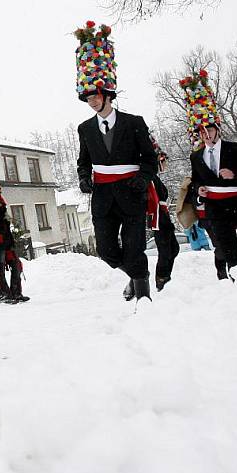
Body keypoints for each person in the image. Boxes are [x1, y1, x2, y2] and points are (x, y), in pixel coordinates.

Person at [75, 21, 157, 302]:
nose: (92, 102)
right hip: (103, 197)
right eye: (87, 98)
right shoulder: (85, 129)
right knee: (107, 251)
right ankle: (138, 276)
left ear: (107, 93)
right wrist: (84, 178)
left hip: (131, 191)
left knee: (135, 248)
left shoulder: (133, 123)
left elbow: (150, 158)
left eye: (95, 95)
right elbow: (83, 161)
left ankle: (143, 296)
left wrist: (143, 178)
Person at [181, 69, 237, 277]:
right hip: (216, 208)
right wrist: (199, 192)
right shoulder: (196, 156)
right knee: (228, 250)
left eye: (209, 130)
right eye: (201, 131)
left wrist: (235, 174)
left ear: (217, 129)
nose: (206, 134)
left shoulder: (236, 148)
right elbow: (195, 183)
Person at [143, 145, 179, 294]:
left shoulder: (154, 177)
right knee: (165, 250)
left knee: (173, 249)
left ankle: (164, 277)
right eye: (163, 161)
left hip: (162, 215)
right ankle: (162, 278)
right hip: (157, 216)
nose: (165, 165)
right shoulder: (149, 177)